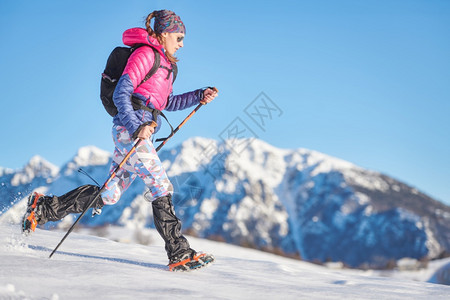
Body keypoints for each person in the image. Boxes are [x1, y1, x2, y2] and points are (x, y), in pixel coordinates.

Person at [22, 9, 218, 272]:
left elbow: (166, 102)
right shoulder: (145, 54)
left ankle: (44, 208)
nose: (182, 43)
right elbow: (122, 94)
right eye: (179, 37)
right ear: (163, 33)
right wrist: (136, 127)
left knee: (110, 194)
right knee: (160, 185)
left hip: (138, 131)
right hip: (131, 131)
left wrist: (198, 95)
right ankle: (179, 252)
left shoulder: (169, 66)